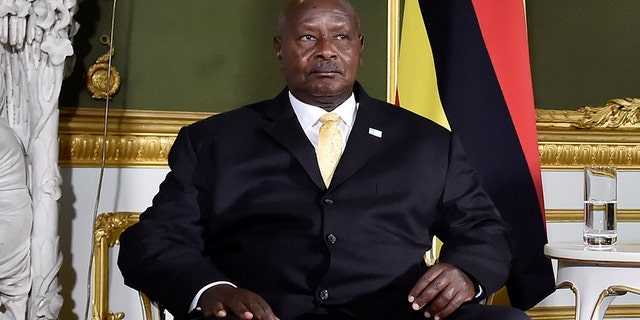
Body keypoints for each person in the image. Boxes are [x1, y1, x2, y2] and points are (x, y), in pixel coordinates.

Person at [118, 1, 530, 319]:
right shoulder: (214, 141)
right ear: (280, 49)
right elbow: (152, 241)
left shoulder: (428, 142)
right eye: (308, 38)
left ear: (360, 49)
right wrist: (211, 290)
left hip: (397, 312)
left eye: (341, 37)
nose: (327, 52)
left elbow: (485, 230)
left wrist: (466, 272)